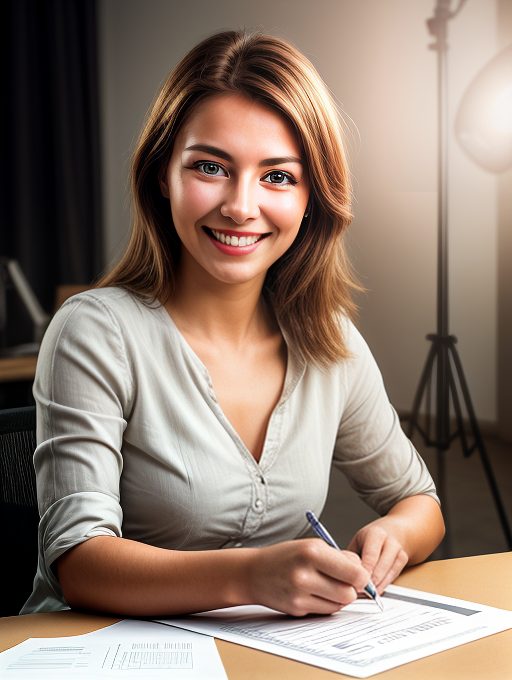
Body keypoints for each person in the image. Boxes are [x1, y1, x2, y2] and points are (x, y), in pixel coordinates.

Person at [22, 30, 444, 617]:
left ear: (311, 198)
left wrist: (392, 537)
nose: (241, 206)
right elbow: (79, 561)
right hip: (94, 652)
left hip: (254, 653)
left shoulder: (330, 342)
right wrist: (253, 576)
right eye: (211, 167)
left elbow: (418, 501)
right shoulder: (95, 332)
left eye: (277, 176)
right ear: (161, 176)